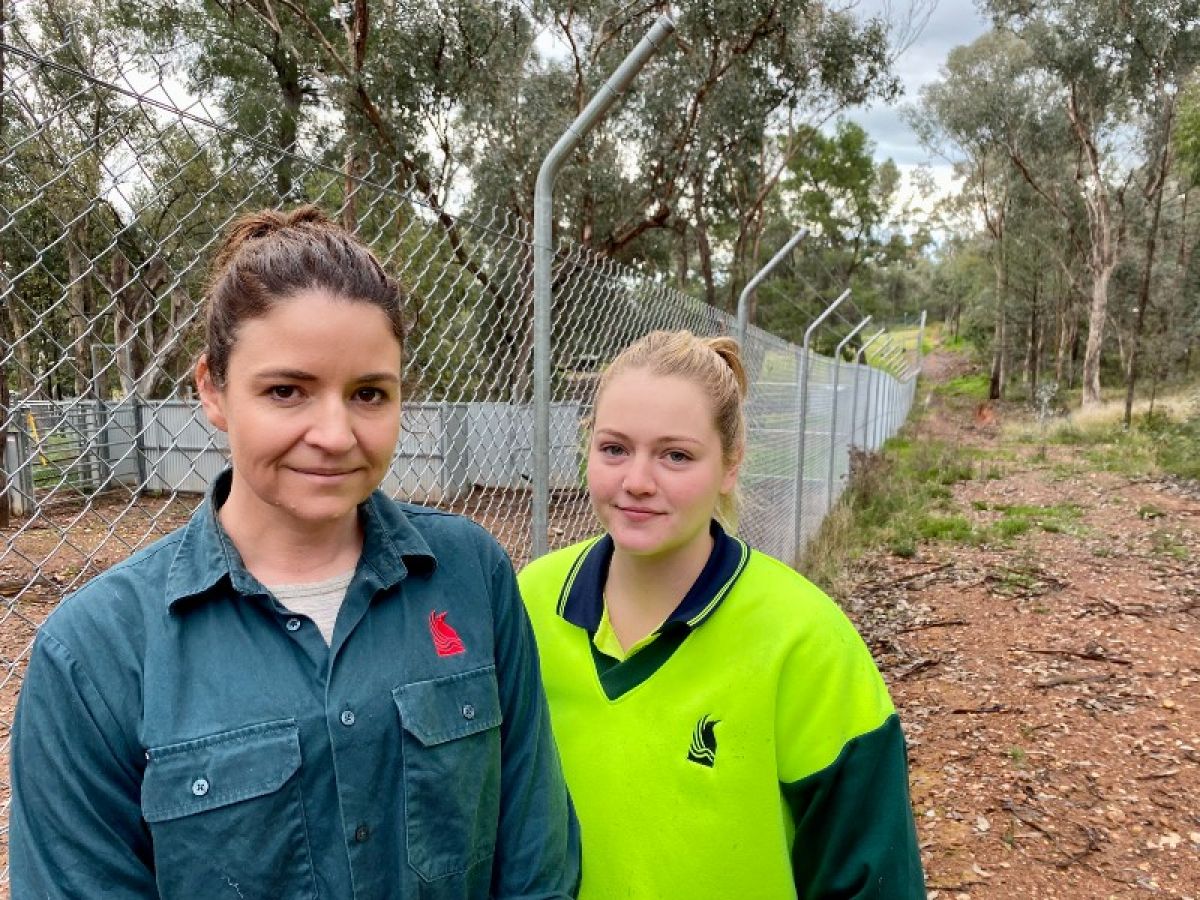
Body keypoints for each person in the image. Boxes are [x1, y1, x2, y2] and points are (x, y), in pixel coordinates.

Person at [9, 205, 581, 900]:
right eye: (287, 391)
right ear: (212, 390)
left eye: (369, 393)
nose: (335, 434)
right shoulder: (95, 654)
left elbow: (534, 858)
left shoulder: (472, 575)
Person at [518, 329, 925, 899]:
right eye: (614, 448)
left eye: (675, 455)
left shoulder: (806, 640)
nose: (637, 481)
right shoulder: (528, 603)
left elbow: (872, 877)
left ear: (730, 465)